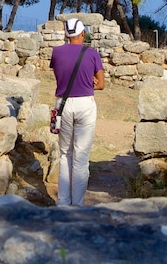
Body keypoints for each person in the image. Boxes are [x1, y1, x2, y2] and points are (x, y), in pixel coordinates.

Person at [50, 18, 105, 206]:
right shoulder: (92, 54)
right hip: (85, 105)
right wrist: (91, 83)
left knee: (65, 154)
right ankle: (78, 204)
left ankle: (63, 202)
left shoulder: (56, 52)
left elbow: (60, 76)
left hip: (63, 105)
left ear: (66, 34)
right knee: (81, 157)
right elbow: (102, 84)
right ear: (82, 34)